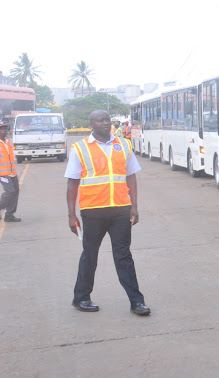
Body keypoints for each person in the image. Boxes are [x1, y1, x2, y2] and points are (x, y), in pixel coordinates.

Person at [66, 110, 150, 316]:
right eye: (100, 120)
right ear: (91, 124)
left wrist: (134, 206)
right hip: (93, 212)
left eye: (107, 120)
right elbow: (72, 183)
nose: (106, 123)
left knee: (124, 257)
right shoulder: (80, 148)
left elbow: (131, 177)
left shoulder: (123, 144)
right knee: (90, 256)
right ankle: (81, 298)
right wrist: (71, 214)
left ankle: (137, 302)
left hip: (120, 211)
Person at [0, 122, 21, 222]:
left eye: (5, 128)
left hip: (12, 173)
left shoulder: (8, 142)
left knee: (15, 192)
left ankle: (9, 215)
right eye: (1, 129)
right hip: (2, 174)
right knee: (10, 192)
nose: (4, 130)